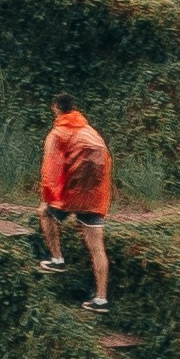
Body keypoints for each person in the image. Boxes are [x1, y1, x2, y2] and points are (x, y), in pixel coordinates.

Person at [36, 99, 113, 314]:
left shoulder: (58, 134)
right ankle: (101, 299)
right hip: (94, 195)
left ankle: (57, 259)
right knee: (97, 246)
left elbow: (51, 170)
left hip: (71, 192)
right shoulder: (90, 132)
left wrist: (48, 200)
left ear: (56, 109)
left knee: (46, 215)